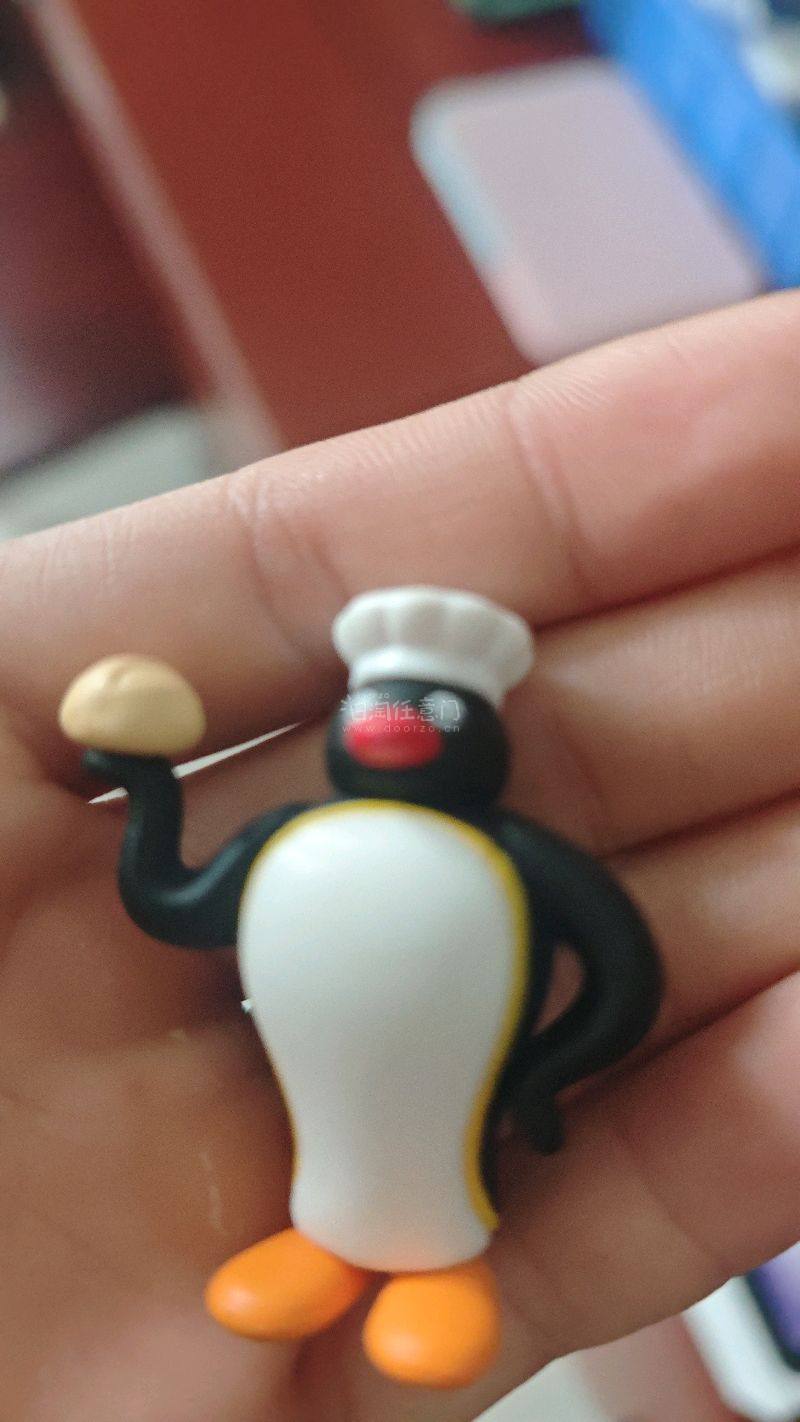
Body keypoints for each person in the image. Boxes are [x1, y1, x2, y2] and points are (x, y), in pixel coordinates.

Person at [1, 292, 799, 1422]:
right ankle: (320, 1244)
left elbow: (622, 978)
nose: (399, 726)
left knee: (431, 1161)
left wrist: (539, 1076)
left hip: (462, 1135)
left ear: (478, 735)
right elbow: (177, 906)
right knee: (336, 1147)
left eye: (431, 709)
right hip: (311, 1132)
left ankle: (442, 1267)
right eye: (383, 705)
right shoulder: (292, 842)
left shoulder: (511, 859)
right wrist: (145, 791)